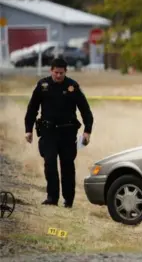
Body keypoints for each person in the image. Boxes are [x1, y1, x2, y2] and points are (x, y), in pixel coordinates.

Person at [24, 58, 94, 208]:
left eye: (61, 73)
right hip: (48, 132)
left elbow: (86, 110)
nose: (58, 76)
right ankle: (52, 197)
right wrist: (28, 130)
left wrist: (87, 131)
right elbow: (32, 109)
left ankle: (68, 200)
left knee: (67, 165)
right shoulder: (43, 86)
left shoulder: (72, 87)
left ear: (65, 72)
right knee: (50, 164)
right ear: (51, 71)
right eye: (56, 72)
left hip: (67, 133)